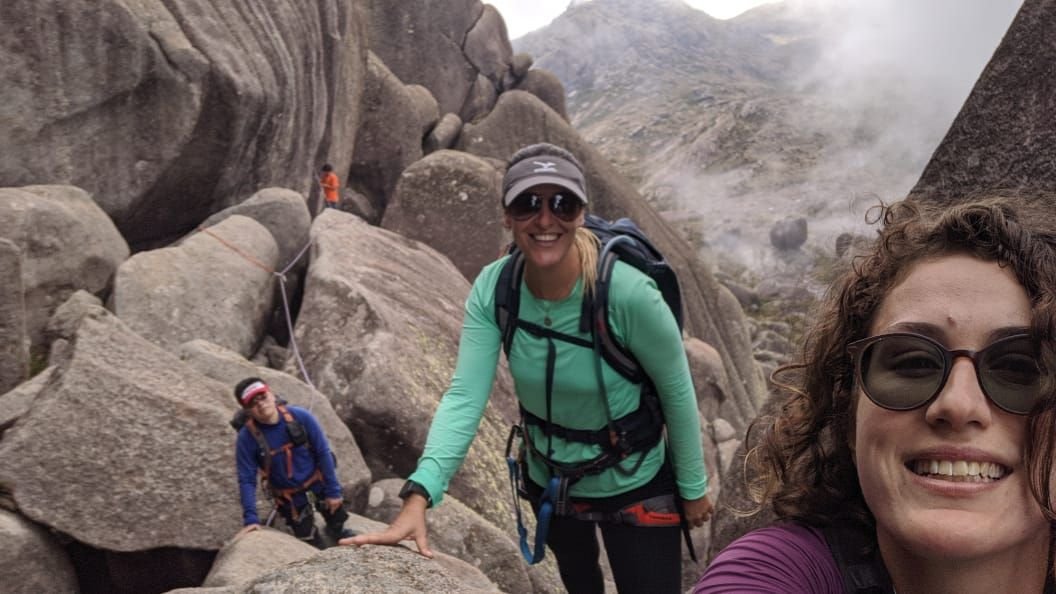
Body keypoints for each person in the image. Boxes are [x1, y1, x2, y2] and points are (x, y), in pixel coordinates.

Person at [345, 143, 713, 593]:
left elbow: (676, 390)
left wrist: (692, 488)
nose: (544, 219)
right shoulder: (496, 287)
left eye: (562, 203)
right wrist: (420, 493)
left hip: (634, 478)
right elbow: (465, 396)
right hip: (552, 481)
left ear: (581, 213)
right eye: (527, 203)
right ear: (506, 215)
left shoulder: (626, 293)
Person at [695, 196, 1056, 593]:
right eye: (914, 363)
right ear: (849, 415)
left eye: (1020, 369)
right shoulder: (775, 571)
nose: (957, 404)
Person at [233, 377, 353, 547]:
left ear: (272, 395)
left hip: (318, 483)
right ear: (247, 410)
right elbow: (247, 479)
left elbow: (323, 453)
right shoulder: (247, 438)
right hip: (290, 498)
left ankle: (336, 529)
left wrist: (333, 491)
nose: (261, 404)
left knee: (337, 517)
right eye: (253, 403)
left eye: (263, 397)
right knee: (309, 540)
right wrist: (251, 519)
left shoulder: (300, 416)